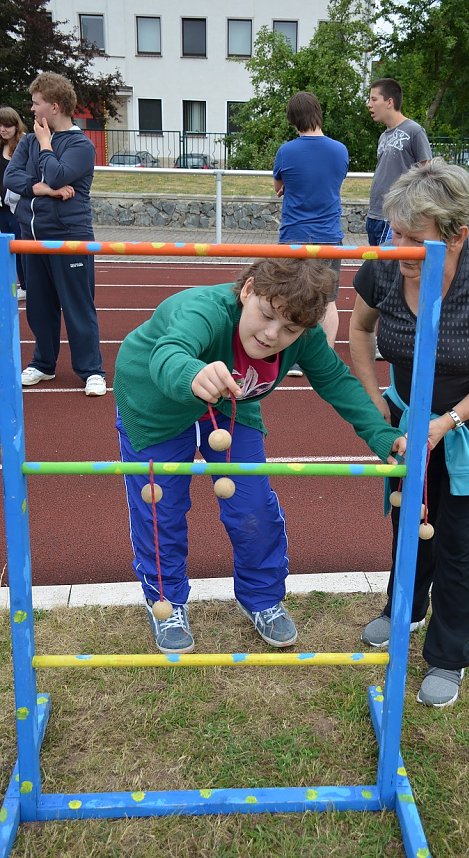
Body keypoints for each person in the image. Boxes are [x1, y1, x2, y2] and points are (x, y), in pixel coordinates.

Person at [114, 258, 406, 655]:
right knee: (160, 508)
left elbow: (335, 380)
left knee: (253, 506)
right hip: (156, 405)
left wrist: (381, 434)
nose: (272, 335)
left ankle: (263, 598)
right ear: (248, 290)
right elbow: (169, 352)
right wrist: (191, 375)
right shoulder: (202, 309)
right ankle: (166, 602)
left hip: (232, 403)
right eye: (267, 316)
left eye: (289, 329)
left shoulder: (300, 335)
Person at [349, 158, 469, 708]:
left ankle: (448, 655)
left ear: (458, 235)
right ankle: (403, 609)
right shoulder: (385, 265)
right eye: (393, 231)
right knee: (411, 518)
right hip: (412, 417)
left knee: (459, 541)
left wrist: (446, 422)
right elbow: (359, 330)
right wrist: (372, 401)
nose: (399, 245)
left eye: (413, 236)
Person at [4, 72, 106, 396]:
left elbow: (59, 172)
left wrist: (47, 147)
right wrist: (41, 189)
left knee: (77, 305)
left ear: (54, 106)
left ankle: (92, 370)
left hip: (69, 236)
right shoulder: (29, 141)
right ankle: (43, 364)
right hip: (31, 237)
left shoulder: (80, 145)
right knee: (39, 306)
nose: (32, 110)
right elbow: (10, 176)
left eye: (36, 104)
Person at [273, 91, 349, 375]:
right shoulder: (340, 150)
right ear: (318, 113)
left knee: (293, 297)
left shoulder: (286, 151)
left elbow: (278, 187)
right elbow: (334, 181)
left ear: (293, 119)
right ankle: (324, 358)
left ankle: (293, 358)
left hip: (295, 235)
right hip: (329, 235)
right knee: (328, 301)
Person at [366, 78, 432, 360]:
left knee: (391, 276)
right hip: (375, 215)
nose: (369, 105)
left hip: (396, 219)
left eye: (373, 99)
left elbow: (428, 173)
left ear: (389, 101)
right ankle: (380, 333)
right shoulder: (383, 136)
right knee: (379, 275)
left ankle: (388, 337)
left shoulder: (414, 131)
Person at [0, 106, 27, 300]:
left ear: (16, 126)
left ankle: (25, 285)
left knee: (20, 248)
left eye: (8, 125)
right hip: (0, 208)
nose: (3, 129)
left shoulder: (23, 145)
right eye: (0, 125)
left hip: (16, 208)